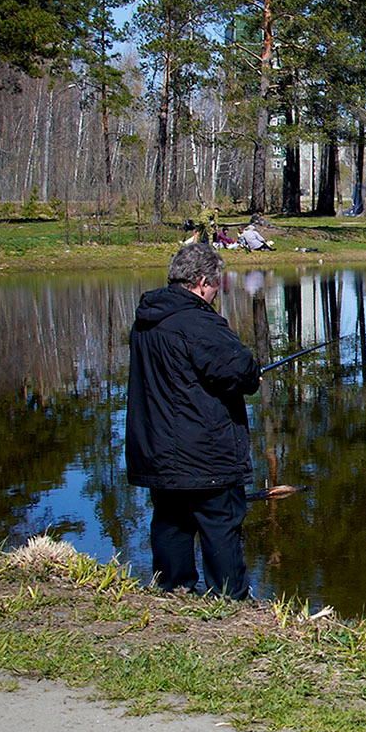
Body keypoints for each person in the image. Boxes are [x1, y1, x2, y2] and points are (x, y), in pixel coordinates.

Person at [125, 242, 262, 599]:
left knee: (171, 524)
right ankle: (229, 601)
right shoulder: (199, 322)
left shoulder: (145, 321)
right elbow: (239, 369)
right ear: (203, 282)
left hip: (159, 451)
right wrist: (252, 378)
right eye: (217, 285)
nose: (218, 293)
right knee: (220, 525)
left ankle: (174, 594)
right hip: (205, 452)